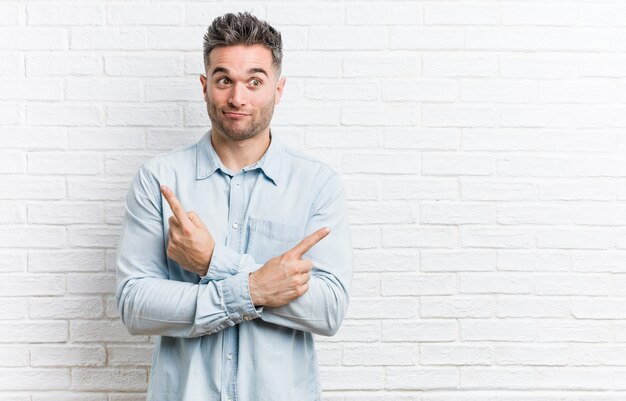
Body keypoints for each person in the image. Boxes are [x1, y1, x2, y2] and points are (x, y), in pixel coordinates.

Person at [115, 12, 353, 401]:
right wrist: (256, 287)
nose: (237, 98)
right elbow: (135, 305)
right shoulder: (158, 180)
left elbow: (327, 311)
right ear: (205, 87)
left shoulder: (317, 184)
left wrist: (214, 263)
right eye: (224, 80)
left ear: (278, 89)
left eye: (254, 81)